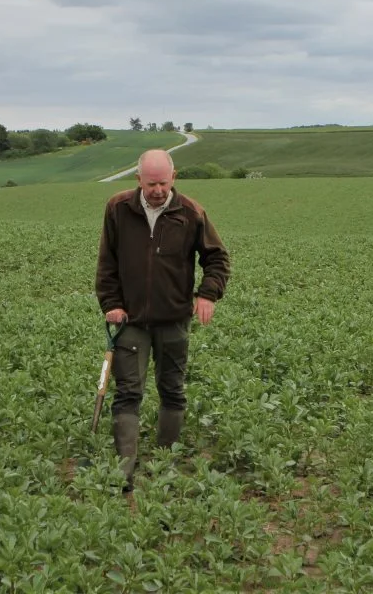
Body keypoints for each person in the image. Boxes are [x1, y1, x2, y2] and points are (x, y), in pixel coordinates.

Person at [96, 149, 231, 489]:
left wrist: (207, 294)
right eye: (150, 182)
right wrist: (111, 303)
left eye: (163, 182)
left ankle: (164, 463)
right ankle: (124, 470)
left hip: (173, 319)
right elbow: (107, 262)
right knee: (128, 392)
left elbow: (216, 258)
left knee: (172, 390)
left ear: (174, 178)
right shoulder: (118, 209)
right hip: (131, 320)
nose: (157, 189)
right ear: (138, 179)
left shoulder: (190, 212)